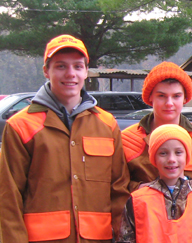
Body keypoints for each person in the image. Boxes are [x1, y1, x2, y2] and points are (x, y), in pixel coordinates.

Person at [0, 34, 131, 242]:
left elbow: (119, 190)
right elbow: (8, 198)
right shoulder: (20, 126)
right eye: (61, 66)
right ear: (46, 71)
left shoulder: (107, 124)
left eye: (78, 67)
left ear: (86, 72)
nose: (71, 74)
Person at [121, 61, 192, 225]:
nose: (169, 103)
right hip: (145, 231)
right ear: (150, 97)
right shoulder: (127, 140)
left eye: (176, 96)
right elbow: (116, 193)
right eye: (161, 96)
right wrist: (141, 188)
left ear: (185, 98)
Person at [116, 124, 192, 243]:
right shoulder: (138, 201)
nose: (171, 159)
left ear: (187, 156)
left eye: (178, 152)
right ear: (154, 158)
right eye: (163, 153)